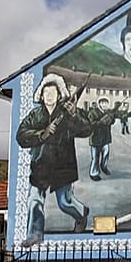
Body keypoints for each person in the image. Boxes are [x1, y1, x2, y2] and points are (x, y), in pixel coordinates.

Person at [16, 73, 92, 239]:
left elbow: (87, 130)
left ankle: (81, 213)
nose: (49, 95)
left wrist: (74, 115)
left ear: (59, 96)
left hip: (63, 165)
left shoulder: (69, 112)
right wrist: (41, 134)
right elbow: (21, 135)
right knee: (34, 201)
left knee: (65, 203)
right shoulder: (35, 115)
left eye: (52, 92)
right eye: (46, 92)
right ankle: (35, 235)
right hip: (40, 164)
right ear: (41, 96)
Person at [87, 97, 115, 181]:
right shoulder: (93, 113)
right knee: (95, 157)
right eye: (103, 103)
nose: (105, 105)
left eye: (106, 103)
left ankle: (104, 167)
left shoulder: (108, 112)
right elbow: (91, 124)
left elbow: (112, 122)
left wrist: (111, 118)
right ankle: (94, 173)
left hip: (105, 138)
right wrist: (101, 122)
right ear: (99, 104)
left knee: (106, 154)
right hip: (95, 138)